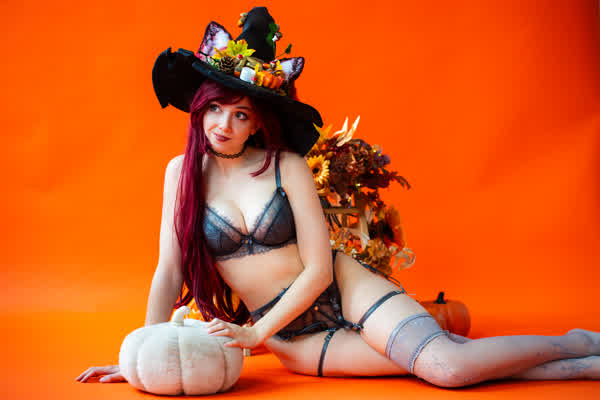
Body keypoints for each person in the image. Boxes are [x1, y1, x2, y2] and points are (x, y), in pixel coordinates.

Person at [76, 7, 600, 387]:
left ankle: (577, 342)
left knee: (447, 365)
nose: (224, 124)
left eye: (240, 114)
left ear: (257, 122)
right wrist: (142, 355)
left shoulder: (286, 166)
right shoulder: (182, 174)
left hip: (344, 290)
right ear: (199, 107)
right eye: (216, 108)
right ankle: (586, 363)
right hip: (295, 342)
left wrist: (255, 334)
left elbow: (319, 270)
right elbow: (169, 270)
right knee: (438, 361)